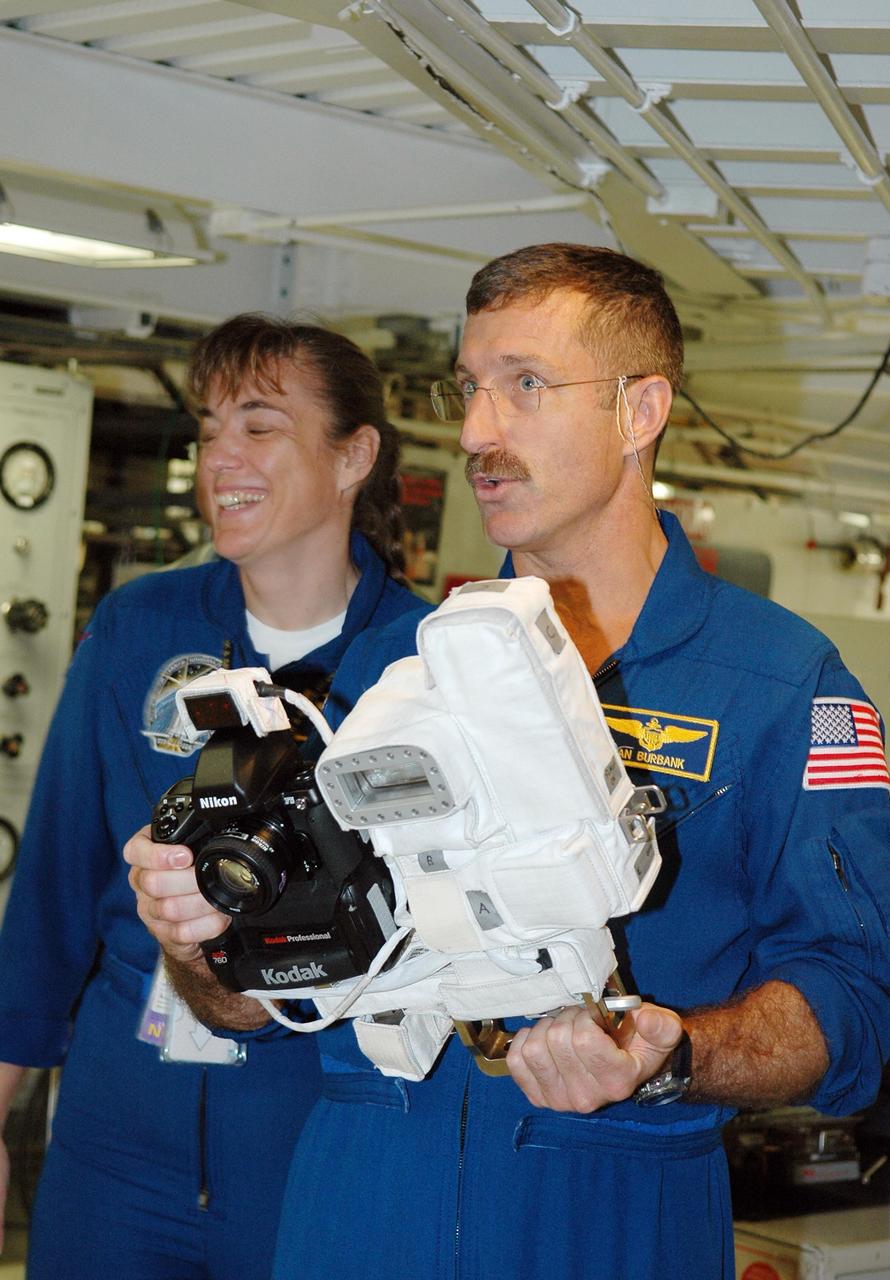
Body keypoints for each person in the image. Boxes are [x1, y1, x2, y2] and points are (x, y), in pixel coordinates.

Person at [126, 246, 890, 1280]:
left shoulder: (781, 683)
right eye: (469, 389)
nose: (478, 431)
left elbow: (850, 1001)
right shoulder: (387, 666)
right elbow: (251, 1004)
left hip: (611, 1195)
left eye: (524, 386)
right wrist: (195, 936)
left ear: (639, 409)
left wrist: (666, 1054)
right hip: (359, 1183)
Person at [0, 315, 425, 1279]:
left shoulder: (418, 667)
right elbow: (57, 891)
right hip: (116, 1143)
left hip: (317, 1136)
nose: (220, 456)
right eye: (209, 428)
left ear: (353, 455)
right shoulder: (138, 627)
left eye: (261, 426)